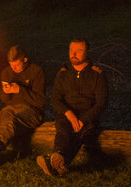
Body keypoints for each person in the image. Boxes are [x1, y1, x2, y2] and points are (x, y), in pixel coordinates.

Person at [38, 38, 108, 176]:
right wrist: (68, 113)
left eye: (79, 50)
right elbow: (55, 99)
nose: (73, 53)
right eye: (71, 50)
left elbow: (102, 103)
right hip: (67, 113)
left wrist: (83, 119)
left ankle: (57, 160)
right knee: (63, 130)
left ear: (87, 52)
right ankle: (58, 159)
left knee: (79, 132)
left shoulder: (96, 74)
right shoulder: (63, 73)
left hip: (88, 115)